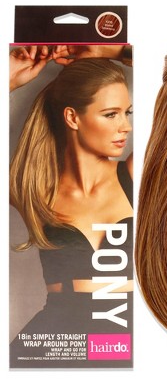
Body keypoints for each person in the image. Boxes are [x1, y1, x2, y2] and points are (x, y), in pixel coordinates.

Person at [9, 45, 133, 368]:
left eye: (128, 113)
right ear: (72, 117)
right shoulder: (34, 191)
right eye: (111, 114)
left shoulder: (137, 175)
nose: (126, 127)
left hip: (128, 338)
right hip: (56, 339)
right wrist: (7, 79)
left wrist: (112, 49)